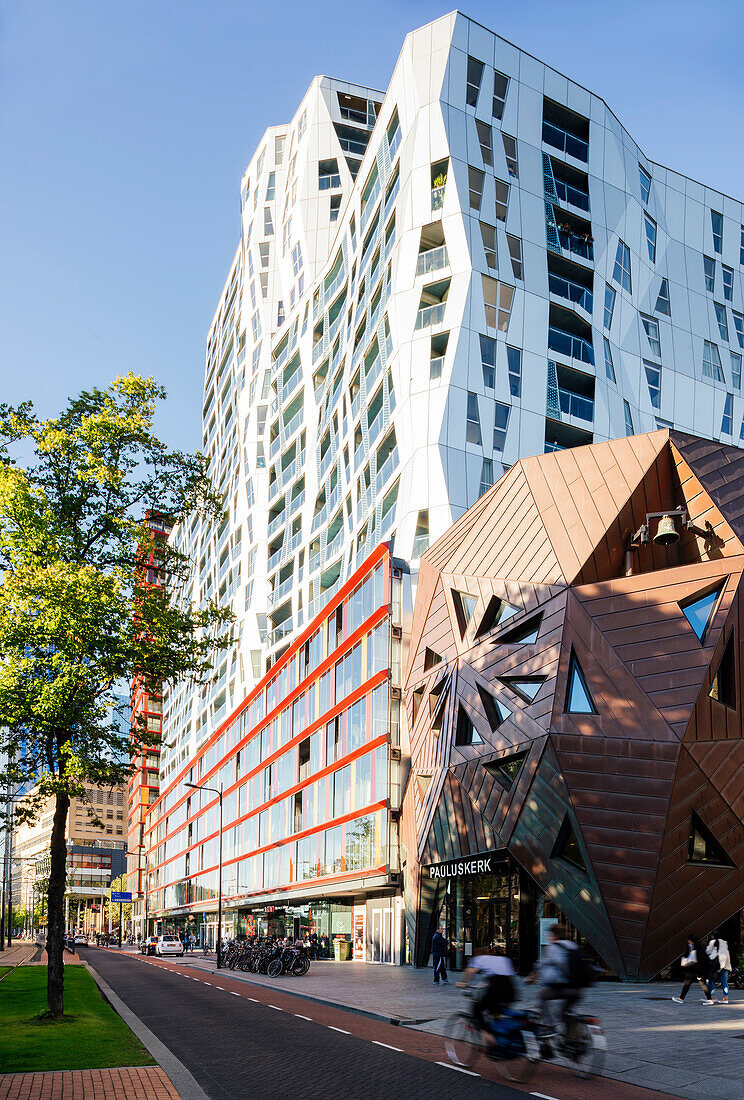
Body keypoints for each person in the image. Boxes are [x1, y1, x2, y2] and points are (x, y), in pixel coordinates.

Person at [526, 924, 584, 1042]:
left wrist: (530, 978)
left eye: (549, 934)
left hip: (561, 987)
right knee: (565, 1012)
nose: (548, 936)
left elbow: (539, 965)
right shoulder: (573, 946)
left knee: (542, 995)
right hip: (578, 988)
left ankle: (548, 1028)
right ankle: (571, 1038)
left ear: (553, 935)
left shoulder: (551, 948)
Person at [457, 942, 516, 1050]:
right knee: (496, 1011)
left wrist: (463, 982)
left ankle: (487, 1036)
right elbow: (504, 976)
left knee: (476, 1009)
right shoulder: (502, 959)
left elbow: (470, 971)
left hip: (496, 988)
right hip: (510, 989)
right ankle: (499, 1036)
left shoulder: (480, 958)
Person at [672, 934, 714, 1004]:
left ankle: (681, 998)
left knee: (691, 984)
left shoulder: (695, 948)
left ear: (691, 940)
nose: (687, 941)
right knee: (691, 983)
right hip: (695, 970)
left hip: (696, 970)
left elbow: (698, 959)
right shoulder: (696, 947)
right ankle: (681, 998)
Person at [706, 931, 732, 1005]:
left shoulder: (713, 942)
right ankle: (725, 998)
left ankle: (712, 997)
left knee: (710, 981)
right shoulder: (725, 943)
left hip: (715, 966)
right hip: (725, 965)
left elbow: (707, 951)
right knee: (724, 982)